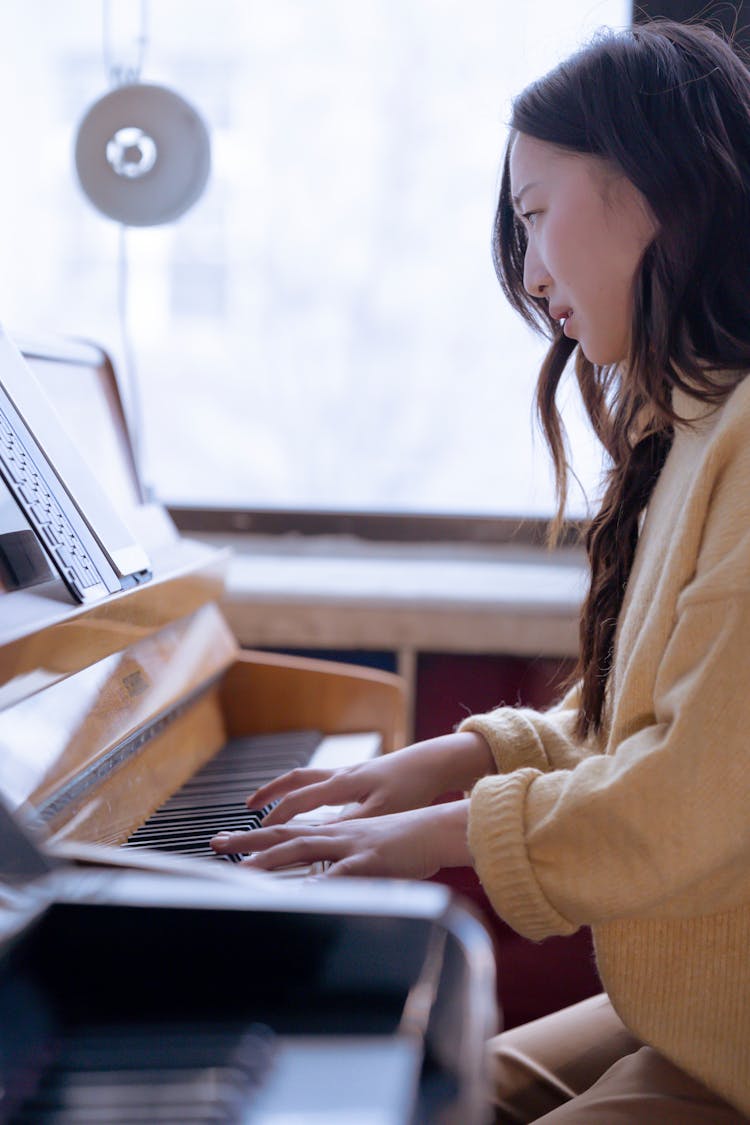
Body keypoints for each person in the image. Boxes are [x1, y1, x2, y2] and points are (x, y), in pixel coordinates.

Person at [212, 19, 750, 1123]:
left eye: (535, 212)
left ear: (654, 186)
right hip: (688, 1014)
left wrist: (428, 837)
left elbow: (687, 802)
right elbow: (643, 731)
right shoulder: (694, 424)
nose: (526, 265)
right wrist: (445, 763)